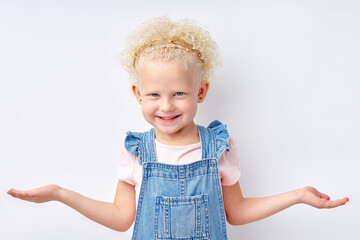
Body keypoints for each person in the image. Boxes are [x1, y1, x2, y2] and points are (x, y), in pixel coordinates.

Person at [7, 16, 349, 239]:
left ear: (201, 92)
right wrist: (59, 194)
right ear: (137, 94)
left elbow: (238, 212)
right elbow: (120, 218)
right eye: (154, 94)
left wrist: (298, 196)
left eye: (179, 93)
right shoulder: (136, 151)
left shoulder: (218, 145)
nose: (166, 105)